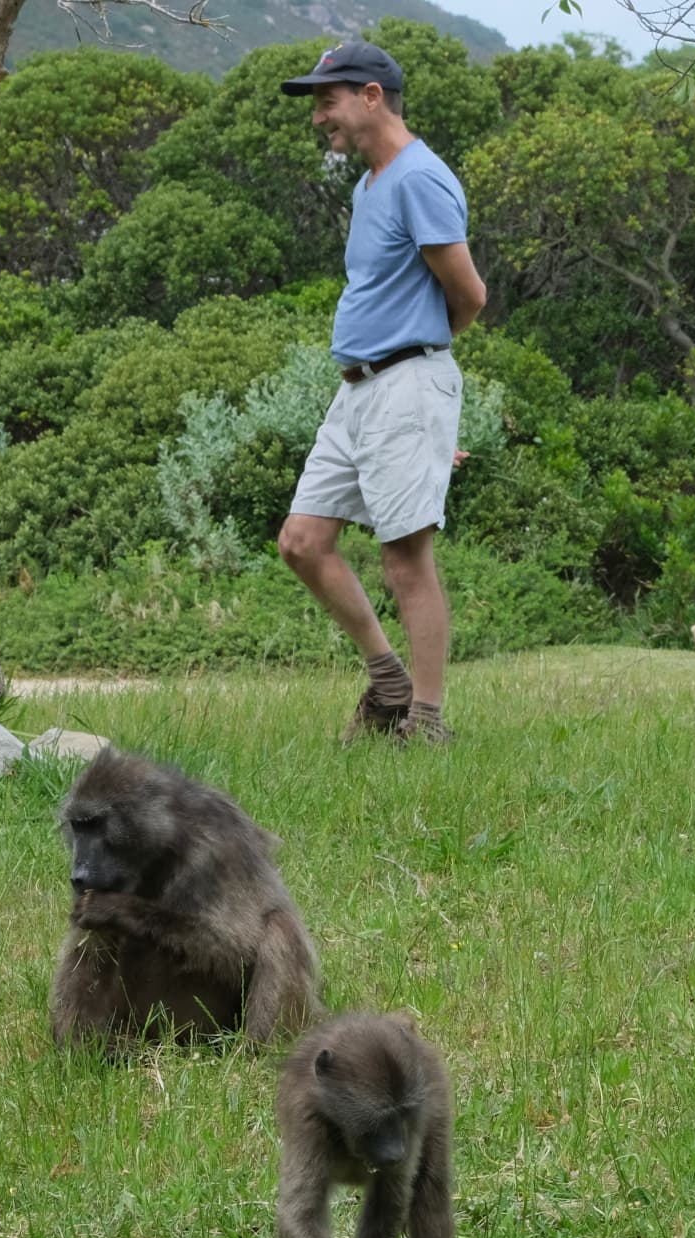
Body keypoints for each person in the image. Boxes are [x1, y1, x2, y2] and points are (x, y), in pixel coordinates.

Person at [277, 41, 487, 747]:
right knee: (303, 543)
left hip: (404, 383)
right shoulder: (372, 185)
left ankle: (424, 721)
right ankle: (387, 679)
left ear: (371, 96)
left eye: (326, 102)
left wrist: (425, 382)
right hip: (359, 392)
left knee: (405, 559)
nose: (318, 119)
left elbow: (469, 295)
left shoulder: (420, 179)